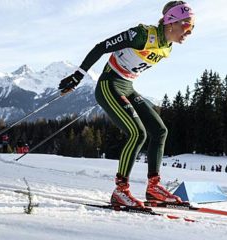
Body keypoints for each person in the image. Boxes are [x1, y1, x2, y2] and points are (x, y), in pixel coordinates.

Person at [58, 1, 195, 209]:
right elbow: (102, 47)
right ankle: (120, 191)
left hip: (127, 86)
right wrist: (78, 75)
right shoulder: (142, 35)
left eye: (193, 27)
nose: (189, 32)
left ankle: (153, 187)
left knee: (159, 131)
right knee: (137, 133)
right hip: (109, 84)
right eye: (187, 25)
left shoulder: (167, 47)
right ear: (171, 22)